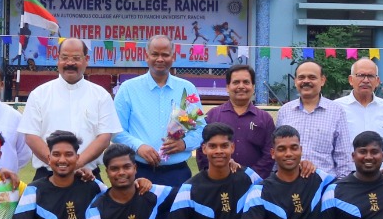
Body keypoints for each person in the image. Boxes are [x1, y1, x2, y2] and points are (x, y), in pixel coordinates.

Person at [17, 37, 122, 174]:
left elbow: (104, 138)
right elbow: (31, 137)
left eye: (76, 58)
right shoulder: (39, 94)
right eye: (65, 57)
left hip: (87, 174)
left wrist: (77, 163)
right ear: (58, 59)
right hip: (48, 175)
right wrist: (57, 164)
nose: (70, 63)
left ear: (86, 60)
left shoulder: (101, 95)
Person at [114, 35, 203, 189]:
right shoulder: (128, 89)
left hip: (177, 173)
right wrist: (138, 147)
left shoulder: (187, 89)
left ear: (173, 57)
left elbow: (200, 129)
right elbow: (116, 130)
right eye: (155, 54)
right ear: (146, 56)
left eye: (165, 55)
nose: (160, 59)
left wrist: (184, 144)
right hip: (139, 171)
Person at [275, 60, 352, 179]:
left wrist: (341, 184)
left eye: (312, 77)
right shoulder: (285, 111)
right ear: (295, 81)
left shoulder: (336, 111)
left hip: (324, 184)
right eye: (301, 77)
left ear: (322, 80)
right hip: (289, 183)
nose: (306, 81)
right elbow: (278, 150)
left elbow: (343, 156)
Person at [200, 64, 275, 178]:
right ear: (227, 87)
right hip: (218, 181)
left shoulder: (265, 119)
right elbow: (202, 151)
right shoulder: (213, 116)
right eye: (236, 82)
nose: (241, 86)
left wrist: (249, 177)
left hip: (254, 183)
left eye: (246, 82)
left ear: (253, 87)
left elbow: (269, 154)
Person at [335, 57, 383, 144]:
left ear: (377, 81)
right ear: (351, 80)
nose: (366, 80)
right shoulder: (337, 107)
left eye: (370, 76)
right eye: (361, 75)